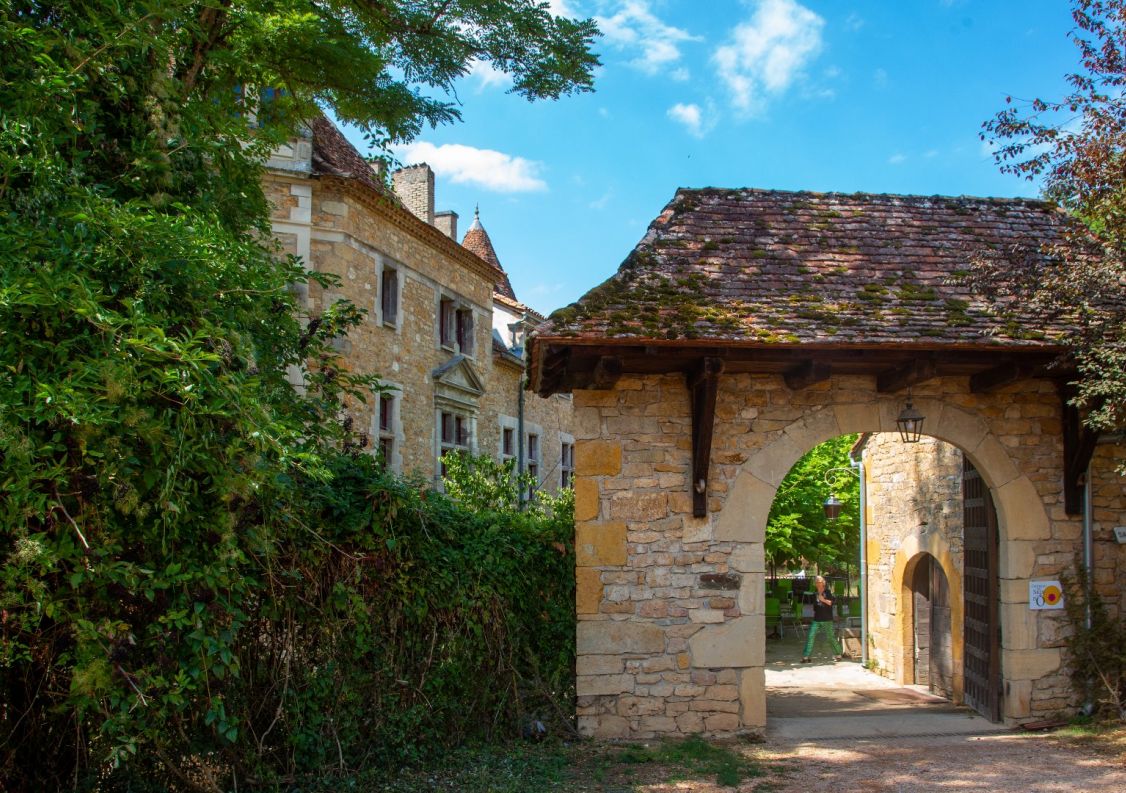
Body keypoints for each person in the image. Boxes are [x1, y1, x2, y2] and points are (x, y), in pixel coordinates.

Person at [800, 575, 843, 663]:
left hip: (827, 619)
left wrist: (823, 600)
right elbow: (815, 607)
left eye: (819, 582)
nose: (818, 584)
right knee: (810, 636)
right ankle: (806, 656)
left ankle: (838, 654)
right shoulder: (815, 594)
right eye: (816, 582)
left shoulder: (828, 592)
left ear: (823, 583)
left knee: (830, 637)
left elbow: (831, 603)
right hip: (817, 619)